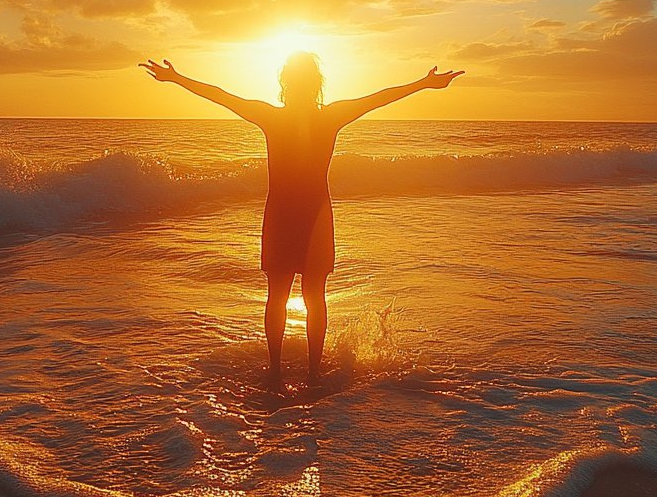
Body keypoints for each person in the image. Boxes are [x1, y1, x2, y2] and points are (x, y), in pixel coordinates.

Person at [140, 52, 462, 389]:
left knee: (277, 295)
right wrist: (424, 84)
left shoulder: (270, 117)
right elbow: (379, 98)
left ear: (285, 84)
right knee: (314, 296)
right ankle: (312, 372)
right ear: (317, 84)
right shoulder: (332, 116)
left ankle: (276, 371)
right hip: (315, 214)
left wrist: (177, 78)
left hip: (281, 212)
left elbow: (222, 97)